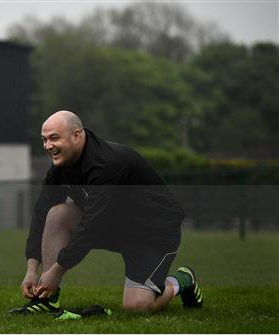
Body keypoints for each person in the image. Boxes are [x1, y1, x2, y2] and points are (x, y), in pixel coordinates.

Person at [10, 110, 202, 315]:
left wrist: (55, 272)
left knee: (137, 307)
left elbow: (92, 226)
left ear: (77, 135)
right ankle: (47, 299)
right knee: (56, 214)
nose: (48, 146)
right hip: (115, 225)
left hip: (153, 233)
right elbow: (41, 213)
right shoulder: (61, 165)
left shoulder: (107, 164)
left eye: (54, 138)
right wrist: (32, 269)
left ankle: (183, 279)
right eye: (44, 140)